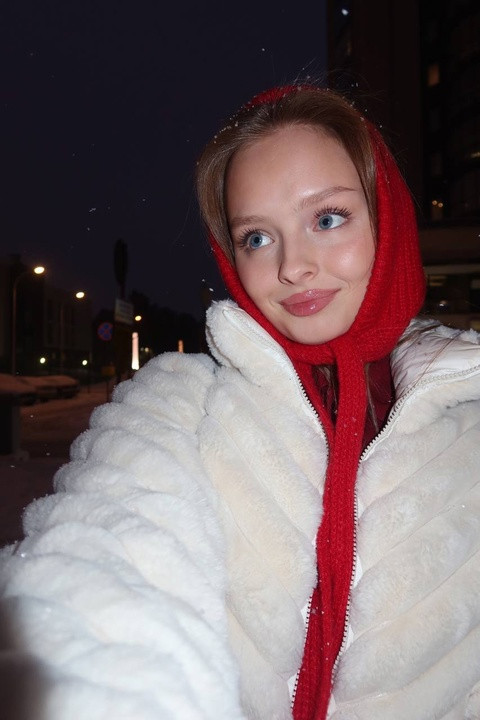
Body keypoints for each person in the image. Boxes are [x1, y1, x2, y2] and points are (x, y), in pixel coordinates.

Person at [1, 83, 479, 720]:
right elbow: (103, 552)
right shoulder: (184, 404)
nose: (292, 266)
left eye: (327, 218)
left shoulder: (467, 417)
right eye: (256, 237)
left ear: (386, 218)